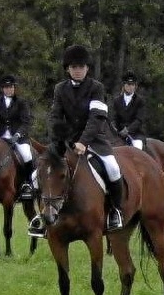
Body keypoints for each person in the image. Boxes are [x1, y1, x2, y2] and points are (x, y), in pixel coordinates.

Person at [44, 44, 124, 233]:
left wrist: (83, 142)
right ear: (68, 69)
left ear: (87, 68)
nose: (78, 70)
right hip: (67, 142)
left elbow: (96, 117)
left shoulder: (97, 88)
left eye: (81, 67)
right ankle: (43, 216)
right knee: (39, 172)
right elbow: (54, 116)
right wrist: (58, 139)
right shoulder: (60, 89)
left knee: (113, 168)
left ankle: (115, 211)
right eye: (74, 67)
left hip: (94, 140)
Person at [0, 74, 36, 200]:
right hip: (1, 137)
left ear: (14, 88)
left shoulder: (21, 102)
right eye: (6, 87)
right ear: (2, 89)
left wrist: (18, 135)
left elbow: (26, 122)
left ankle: (27, 184)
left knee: (26, 155)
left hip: (18, 137)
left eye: (11, 87)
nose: (9, 89)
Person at [111, 71, 147, 149]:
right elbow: (115, 117)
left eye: (132, 85)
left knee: (138, 148)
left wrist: (128, 130)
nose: (130, 87)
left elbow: (139, 120)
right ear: (124, 85)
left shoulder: (140, 101)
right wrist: (114, 127)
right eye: (128, 84)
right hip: (120, 134)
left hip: (135, 135)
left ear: (135, 86)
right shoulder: (117, 100)